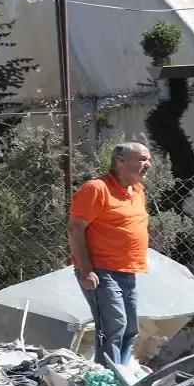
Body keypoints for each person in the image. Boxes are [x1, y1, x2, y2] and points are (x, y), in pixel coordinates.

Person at [67, 141, 152, 367]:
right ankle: (107, 378)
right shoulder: (96, 188)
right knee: (113, 326)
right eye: (142, 159)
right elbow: (75, 228)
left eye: (149, 159)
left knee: (130, 328)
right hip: (101, 271)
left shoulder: (137, 191)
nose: (148, 164)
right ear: (120, 162)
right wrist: (86, 270)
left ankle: (120, 375)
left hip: (128, 270)